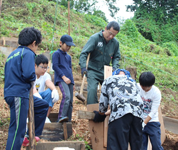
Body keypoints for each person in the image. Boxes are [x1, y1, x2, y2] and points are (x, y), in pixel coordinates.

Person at [4, 27, 49, 150]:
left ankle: (33, 135)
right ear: (34, 43)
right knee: (17, 130)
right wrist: (35, 75)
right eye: (37, 45)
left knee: (42, 105)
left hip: (11, 93)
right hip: (19, 94)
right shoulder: (28, 53)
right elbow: (29, 74)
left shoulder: (12, 55)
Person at [94, 69, 143, 150]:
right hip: (137, 114)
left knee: (117, 146)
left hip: (119, 116)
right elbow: (135, 101)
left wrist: (101, 114)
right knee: (137, 145)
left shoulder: (108, 80)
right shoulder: (133, 82)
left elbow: (103, 105)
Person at [79, 21, 121, 104]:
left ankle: (107, 111)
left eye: (114, 35)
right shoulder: (95, 38)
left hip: (106, 71)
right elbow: (84, 53)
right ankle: (92, 110)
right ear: (106, 29)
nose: (111, 36)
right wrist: (83, 67)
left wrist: (115, 67)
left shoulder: (115, 43)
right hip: (93, 70)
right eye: (110, 33)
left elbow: (116, 56)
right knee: (92, 90)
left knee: (111, 90)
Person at [52, 34, 75, 123]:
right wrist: (63, 77)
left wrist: (72, 82)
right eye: (67, 45)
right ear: (61, 43)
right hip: (61, 79)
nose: (68, 47)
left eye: (70, 46)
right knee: (67, 96)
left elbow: (70, 69)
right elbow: (55, 66)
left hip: (69, 80)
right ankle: (61, 117)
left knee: (70, 101)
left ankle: (68, 120)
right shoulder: (56, 54)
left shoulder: (68, 57)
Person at [137, 72, 164, 150]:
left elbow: (153, 111)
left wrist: (144, 123)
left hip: (153, 122)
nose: (143, 88)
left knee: (156, 146)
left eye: (146, 87)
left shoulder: (156, 93)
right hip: (140, 120)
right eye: (142, 86)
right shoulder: (137, 87)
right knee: (141, 147)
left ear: (151, 85)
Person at [34, 54, 59, 122]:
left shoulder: (46, 75)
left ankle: (45, 117)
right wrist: (36, 94)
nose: (44, 70)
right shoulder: (31, 74)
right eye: (42, 67)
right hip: (31, 97)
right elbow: (31, 88)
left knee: (49, 92)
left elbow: (48, 82)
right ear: (35, 65)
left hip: (40, 98)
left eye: (46, 67)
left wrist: (54, 90)